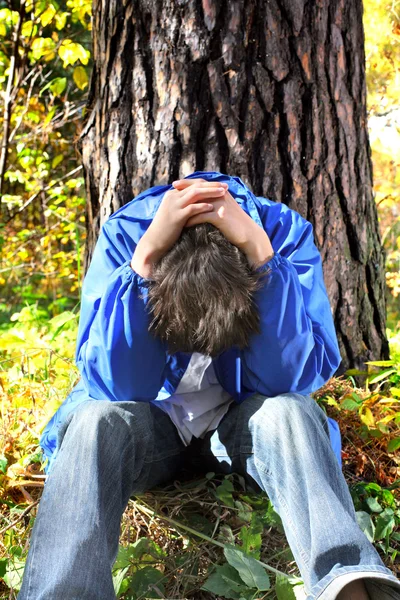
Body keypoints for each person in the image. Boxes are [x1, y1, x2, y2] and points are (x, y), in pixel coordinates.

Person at [18, 172, 400, 600]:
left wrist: (262, 259)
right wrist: (143, 264)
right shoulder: (127, 233)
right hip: (151, 422)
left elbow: (289, 379)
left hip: (244, 420)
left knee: (290, 412)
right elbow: (116, 382)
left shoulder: (281, 233)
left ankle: (347, 587)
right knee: (93, 421)